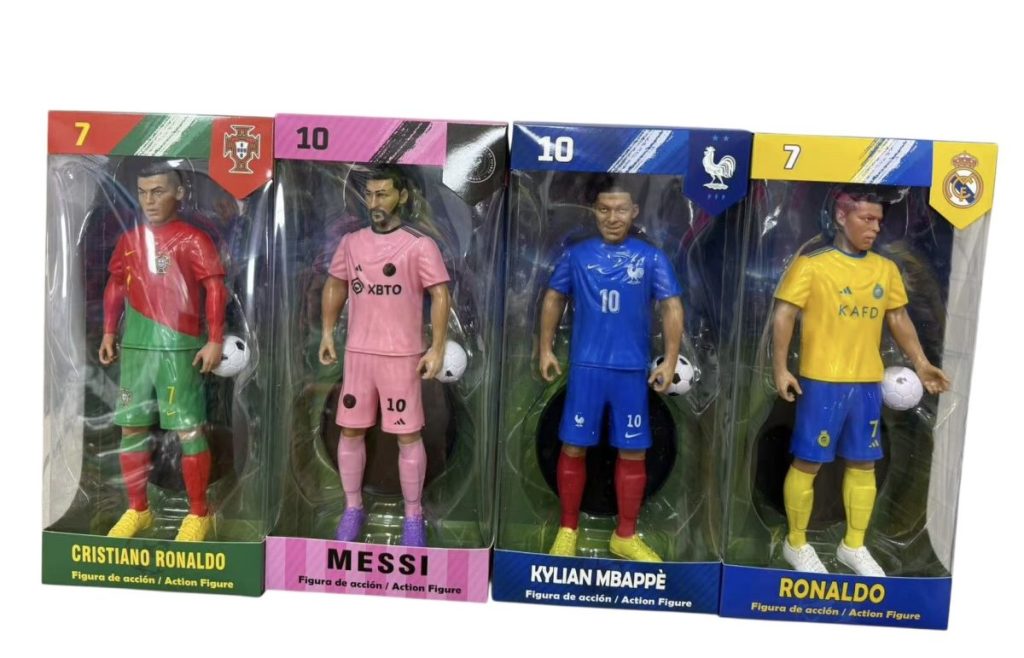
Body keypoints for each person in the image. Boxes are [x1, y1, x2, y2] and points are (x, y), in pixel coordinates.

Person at [772, 186, 951, 576]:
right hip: (822, 381)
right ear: (841, 217)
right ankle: (795, 543)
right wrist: (780, 368)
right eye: (866, 219)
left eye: (879, 221)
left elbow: (898, 318)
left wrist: (922, 363)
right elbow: (784, 313)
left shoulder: (885, 269)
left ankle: (853, 545)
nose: (874, 228)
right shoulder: (812, 265)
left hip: (868, 383)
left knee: (864, 462)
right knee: (809, 462)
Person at [539, 177, 684, 562]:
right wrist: (545, 349)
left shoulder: (651, 258)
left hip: (631, 372)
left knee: (633, 450)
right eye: (604, 209)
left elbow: (671, 306)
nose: (612, 217)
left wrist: (670, 360)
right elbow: (553, 297)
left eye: (620, 209)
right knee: (574, 445)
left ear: (634, 212)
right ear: (594, 211)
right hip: (586, 369)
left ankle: (626, 535)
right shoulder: (578, 255)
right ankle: (568, 529)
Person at [319, 167, 451, 547]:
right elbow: (336, 284)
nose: (374, 202)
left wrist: (437, 347)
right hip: (359, 355)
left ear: (403, 196)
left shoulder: (419, 245)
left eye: (383, 194)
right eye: (370, 194)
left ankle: (414, 515)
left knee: (408, 434)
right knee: (350, 429)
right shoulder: (351, 243)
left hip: (401, 357)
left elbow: (440, 293)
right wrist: (327, 332)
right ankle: (352, 508)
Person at [100, 161, 228, 542]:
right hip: (136, 349)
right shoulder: (130, 240)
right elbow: (115, 286)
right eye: (143, 193)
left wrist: (215, 339)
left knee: (188, 430)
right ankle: (138, 509)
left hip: (178, 349)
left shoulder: (193, 240)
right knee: (131, 427)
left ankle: (199, 514)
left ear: (180, 193)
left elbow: (215, 287)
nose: (149, 200)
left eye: (158, 191)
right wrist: (109, 332)